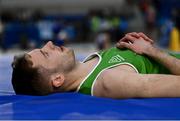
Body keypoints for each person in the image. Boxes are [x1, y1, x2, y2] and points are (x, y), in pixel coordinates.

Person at [11, 32, 180, 99]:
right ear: (57, 79)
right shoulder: (110, 81)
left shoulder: (88, 64)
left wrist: (122, 51)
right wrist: (153, 51)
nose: (48, 43)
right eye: (46, 53)